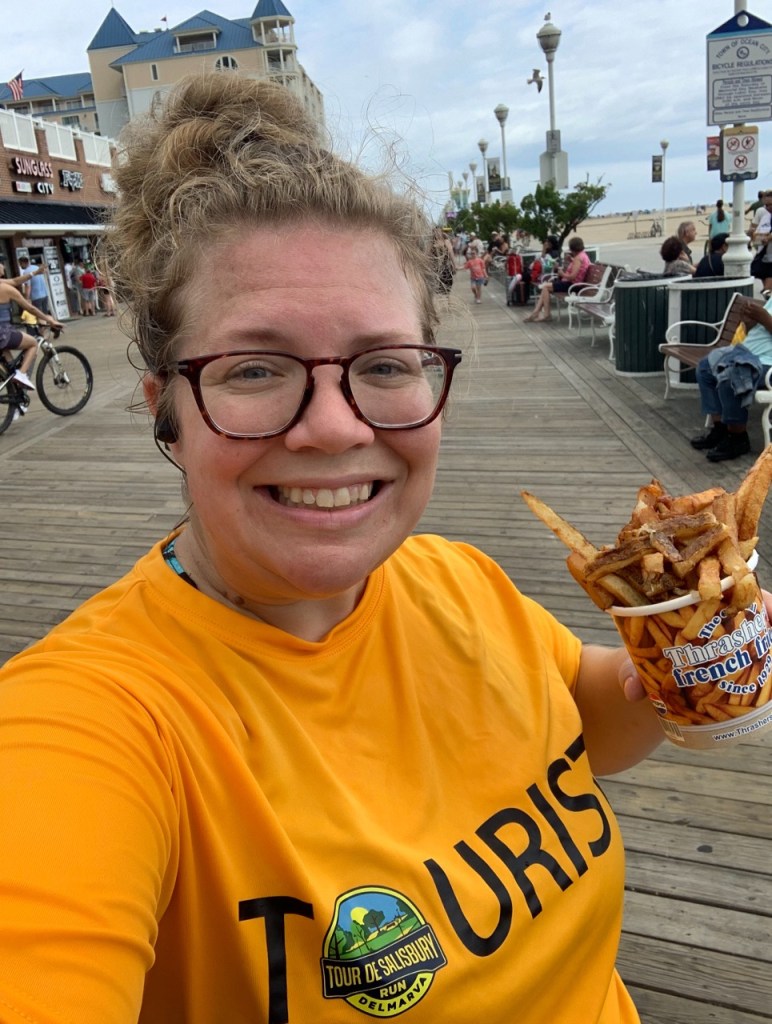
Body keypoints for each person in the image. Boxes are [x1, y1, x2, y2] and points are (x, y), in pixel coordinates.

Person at [0, 72, 663, 1023]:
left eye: (384, 364)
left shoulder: (456, 577)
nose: (333, 426)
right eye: (256, 368)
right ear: (166, 415)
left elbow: (589, 720)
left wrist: (667, 663)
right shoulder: (95, 723)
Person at [690, 295, 772, 461]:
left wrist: (764, 318)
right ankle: (720, 428)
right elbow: (758, 334)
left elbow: (767, 323)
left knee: (732, 376)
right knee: (706, 367)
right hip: (747, 353)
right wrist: (749, 322)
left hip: (767, 363)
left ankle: (737, 437)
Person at [0, 270, 64, 394]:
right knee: (33, 343)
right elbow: (30, 308)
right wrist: (48, 319)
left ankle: (16, 398)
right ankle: (22, 375)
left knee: (10, 368)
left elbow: (14, 281)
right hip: (3, 333)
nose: (3, 266)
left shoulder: (5, 284)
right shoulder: (6, 288)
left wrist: (34, 273)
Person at [524, 236, 591, 322]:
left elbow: (573, 276)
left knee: (545, 287)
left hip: (573, 285)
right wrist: (571, 261)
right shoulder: (582, 255)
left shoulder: (578, 258)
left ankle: (544, 314)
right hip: (573, 284)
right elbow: (579, 270)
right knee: (545, 287)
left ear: (572, 248)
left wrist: (562, 273)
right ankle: (537, 312)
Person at [747, 190, 772, 296]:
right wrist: (751, 236)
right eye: (766, 205)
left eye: (770, 204)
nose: (769, 207)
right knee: (763, 271)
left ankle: (767, 291)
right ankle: (767, 292)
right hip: (763, 249)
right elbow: (753, 227)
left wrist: (769, 238)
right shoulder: (762, 212)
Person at [430, 226, 456, 295]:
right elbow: (428, 255)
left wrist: (454, 265)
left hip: (445, 268)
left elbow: (451, 254)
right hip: (435, 269)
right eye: (435, 232)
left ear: (441, 232)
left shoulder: (446, 242)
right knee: (437, 290)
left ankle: (446, 302)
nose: (437, 233)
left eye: (438, 231)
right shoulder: (431, 243)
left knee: (446, 288)